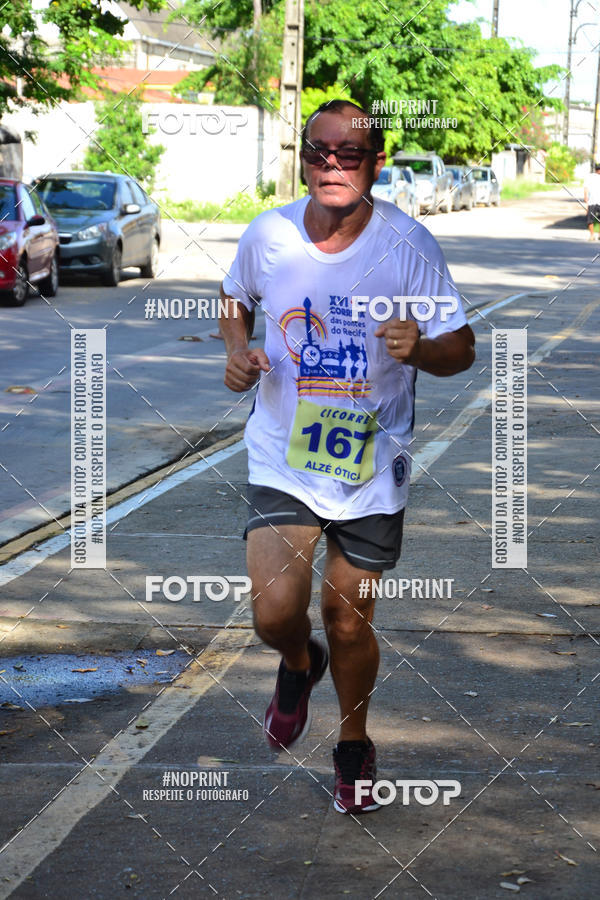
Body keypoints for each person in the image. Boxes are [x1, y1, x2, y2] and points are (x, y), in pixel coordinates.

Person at [218, 100, 475, 815]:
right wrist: (238, 353)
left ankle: (353, 744)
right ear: (302, 158)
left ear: (377, 163)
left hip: (370, 464)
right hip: (282, 455)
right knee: (275, 616)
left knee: (349, 618)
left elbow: (463, 347)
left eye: (349, 154)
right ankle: (298, 666)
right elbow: (233, 296)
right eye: (317, 152)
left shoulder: (410, 244)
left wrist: (420, 348)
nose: (331, 165)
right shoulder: (268, 234)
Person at [583, 162, 600, 240]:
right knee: (590, 219)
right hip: (592, 201)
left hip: (595, 201)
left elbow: (585, 187)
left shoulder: (589, 177)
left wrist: (586, 196)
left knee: (591, 219)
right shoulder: (590, 177)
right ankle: (592, 235)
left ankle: (598, 235)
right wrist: (586, 196)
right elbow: (586, 187)